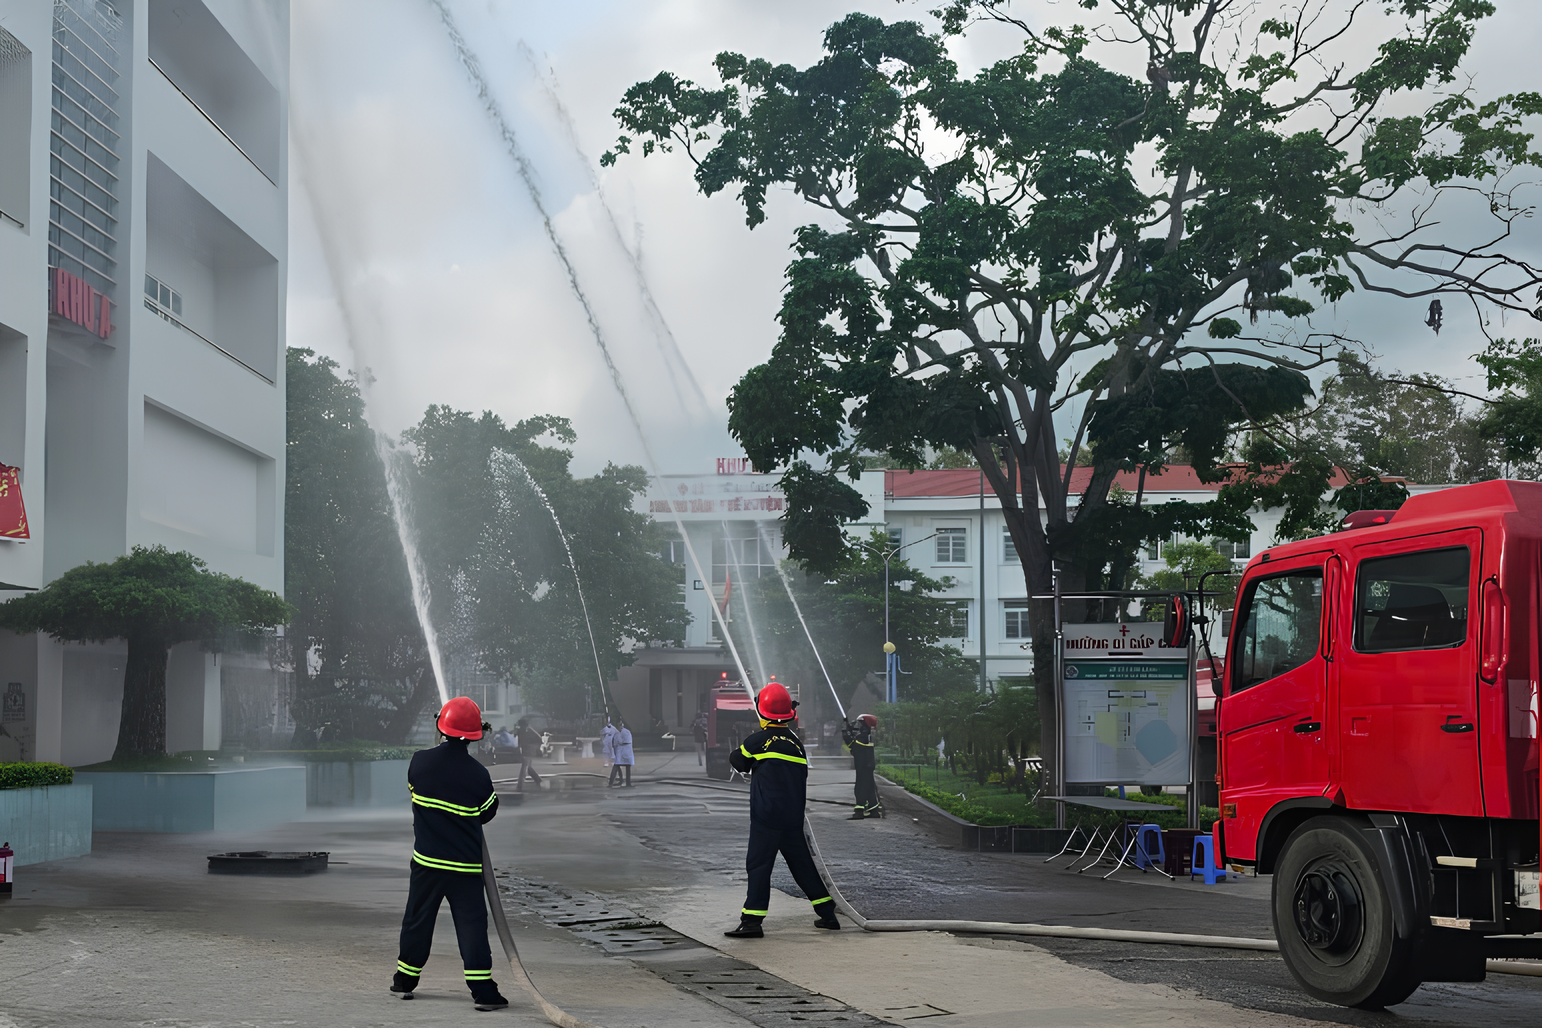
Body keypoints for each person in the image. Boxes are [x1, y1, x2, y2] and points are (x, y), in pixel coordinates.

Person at [391, 696, 508, 1011]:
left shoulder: (419, 762)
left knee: (417, 920)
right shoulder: (479, 775)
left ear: (441, 727)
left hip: (427, 863)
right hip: (466, 868)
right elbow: (487, 812)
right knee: (471, 925)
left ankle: (404, 981)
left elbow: (416, 794)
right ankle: (483, 991)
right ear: (473, 735)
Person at [723, 682, 839, 938]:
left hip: (767, 817)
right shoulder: (796, 743)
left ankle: (752, 922)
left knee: (758, 865)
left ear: (761, 711)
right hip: (793, 818)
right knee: (802, 866)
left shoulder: (758, 740)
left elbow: (737, 760)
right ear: (790, 713)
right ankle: (828, 913)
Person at [843, 714, 882, 819]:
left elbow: (853, 745)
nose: (859, 725)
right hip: (867, 765)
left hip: (863, 765)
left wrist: (846, 732)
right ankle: (874, 810)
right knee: (870, 787)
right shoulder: (868, 735)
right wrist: (851, 731)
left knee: (860, 787)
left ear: (866, 723)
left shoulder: (864, 735)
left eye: (861, 722)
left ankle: (859, 811)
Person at [514, 717, 542, 792]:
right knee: (528, 767)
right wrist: (519, 748)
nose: (520, 727)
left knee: (524, 767)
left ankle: (520, 785)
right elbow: (519, 741)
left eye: (521, 725)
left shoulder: (529, 730)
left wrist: (533, 746)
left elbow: (539, 739)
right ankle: (538, 779)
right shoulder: (520, 731)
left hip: (529, 750)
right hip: (524, 750)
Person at [609, 721, 634, 787]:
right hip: (624, 752)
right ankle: (627, 783)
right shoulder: (620, 733)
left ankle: (612, 783)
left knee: (618, 766)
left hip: (623, 751)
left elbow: (616, 743)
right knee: (623, 767)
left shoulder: (621, 732)